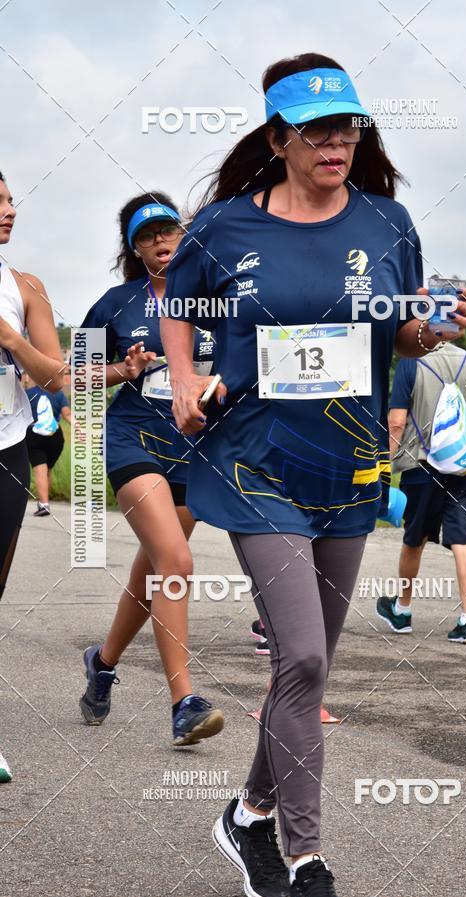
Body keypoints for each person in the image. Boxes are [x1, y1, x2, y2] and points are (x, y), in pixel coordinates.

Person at [161, 53, 466, 897]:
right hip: (256, 461)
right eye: (318, 130)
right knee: (299, 652)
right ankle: (304, 859)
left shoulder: (389, 223)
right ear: (279, 138)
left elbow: (402, 336)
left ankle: (248, 811)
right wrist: (185, 380)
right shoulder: (224, 227)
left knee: (307, 668)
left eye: (349, 127)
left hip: (349, 462)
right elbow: (175, 303)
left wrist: (431, 332)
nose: (337, 143)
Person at [78, 192, 224, 747]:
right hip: (131, 441)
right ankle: (184, 701)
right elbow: (74, 377)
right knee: (176, 561)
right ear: (135, 249)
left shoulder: (217, 301)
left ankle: (104, 661)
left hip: (192, 447)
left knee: (153, 571)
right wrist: (123, 367)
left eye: (168, 231)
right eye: (147, 237)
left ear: (185, 236)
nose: (161, 242)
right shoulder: (115, 304)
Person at [0, 169, 65, 782]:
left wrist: (10, 339)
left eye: (11, 199)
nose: (9, 210)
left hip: (7, 446)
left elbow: (53, 375)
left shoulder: (24, 285)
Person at [377, 341, 466, 643]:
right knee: (464, 538)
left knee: (415, 538)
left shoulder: (410, 363)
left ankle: (402, 610)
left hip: (421, 465)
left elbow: (397, 422)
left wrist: (384, 466)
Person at [24, 375, 71, 516]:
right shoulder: (58, 394)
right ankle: (45, 502)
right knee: (47, 470)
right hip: (55, 436)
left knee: (40, 470)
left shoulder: (28, 394)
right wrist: (79, 427)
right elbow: (67, 414)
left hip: (34, 434)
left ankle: (44, 504)